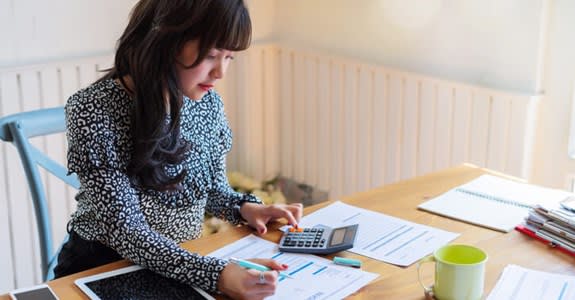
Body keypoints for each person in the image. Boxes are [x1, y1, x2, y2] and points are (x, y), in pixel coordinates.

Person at [53, 0, 303, 299]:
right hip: (102, 269)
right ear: (164, 42)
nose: (221, 72)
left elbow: (208, 188)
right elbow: (125, 231)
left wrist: (245, 208)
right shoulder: (94, 109)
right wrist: (217, 274)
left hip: (178, 266)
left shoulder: (206, 103)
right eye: (211, 55)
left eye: (229, 57)